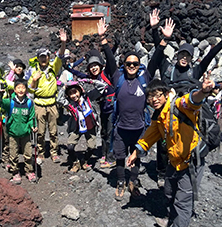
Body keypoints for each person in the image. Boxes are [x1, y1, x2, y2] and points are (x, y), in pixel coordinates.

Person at [148, 9, 222, 187]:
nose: (184, 58)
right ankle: (162, 172)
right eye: (181, 55)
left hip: (187, 112)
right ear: (177, 56)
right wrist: (155, 30)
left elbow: (209, 56)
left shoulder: (195, 71)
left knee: (185, 141)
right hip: (166, 111)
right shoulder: (167, 68)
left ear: (191, 58)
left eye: (187, 56)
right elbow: (158, 50)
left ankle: (183, 169)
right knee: (162, 143)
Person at [127, 74, 215, 227]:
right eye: (150, 97)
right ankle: (171, 219)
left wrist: (203, 91)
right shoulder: (160, 116)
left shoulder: (179, 105)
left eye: (157, 95)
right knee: (169, 192)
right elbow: (149, 136)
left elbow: (192, 100)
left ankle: (178, 222)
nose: (154, 100)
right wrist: (135, 152)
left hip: (191, 163)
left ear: (166, 94)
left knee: (182, 202)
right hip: (174, 162)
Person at [97, 18, 155, 200]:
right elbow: (109, 57)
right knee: (120, 157)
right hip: (121, 128)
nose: (131, 66)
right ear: (124, 65)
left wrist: (160, 36)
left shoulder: (145, 77)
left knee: (136, 156)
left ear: (139, 67)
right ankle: (121, 181)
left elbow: (158, 57)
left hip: (139, 127)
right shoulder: (117, 77)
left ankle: (133, 181)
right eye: (128, 63)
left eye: (135, 64)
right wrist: (103, 38)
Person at [65, 48, 116, 169]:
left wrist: (112, 47)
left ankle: (111, 158)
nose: (93, 68)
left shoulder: (106, 73)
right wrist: (67, 68)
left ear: (100, 66)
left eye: (95, 65)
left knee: (110, 132)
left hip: (112, 106)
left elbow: (110, 60)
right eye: (91, 66)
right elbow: (79, 75)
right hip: (104, 107)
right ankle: (104, 154)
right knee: (104, 132)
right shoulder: (92, 77)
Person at [28, 28, 67, 164]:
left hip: (52, 104)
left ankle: (54, 152)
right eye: (41, 57)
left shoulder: (53, 68)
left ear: (48, 57)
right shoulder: (34, 71)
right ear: (38, 58)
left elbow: (60, 56)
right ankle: (40, 152)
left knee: (54, 131)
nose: (43, 59)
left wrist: (63, 43)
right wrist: (34, 80)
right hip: (39, 104)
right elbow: (30, 90)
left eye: (45, 56)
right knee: (40, 132)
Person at [57, 80, 106, 173]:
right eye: (70, 94)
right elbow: (59, 99)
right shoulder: (70, 104)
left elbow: (102, 87)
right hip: (76, 128)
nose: (74, 95)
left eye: (75, 92)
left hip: (90, 127)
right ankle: (76, 162)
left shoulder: (88, 98)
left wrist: (90, 81)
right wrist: (64, 88)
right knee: (70, 146)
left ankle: (84, 161)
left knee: (92, 146)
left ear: (80, 91)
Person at [0, 79, 37, 184]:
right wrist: (0, 94)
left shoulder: (29, 103)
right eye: (18, 87)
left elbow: (32, 117)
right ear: (14, 89)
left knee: (28, 153)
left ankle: (29, 171)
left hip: (26, 133)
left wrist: (33, 126)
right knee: (13, 153)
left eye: (23, 87)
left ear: (26, 89)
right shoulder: (10, 102)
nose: (21, 90)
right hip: (13, 133)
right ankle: (15, 171)